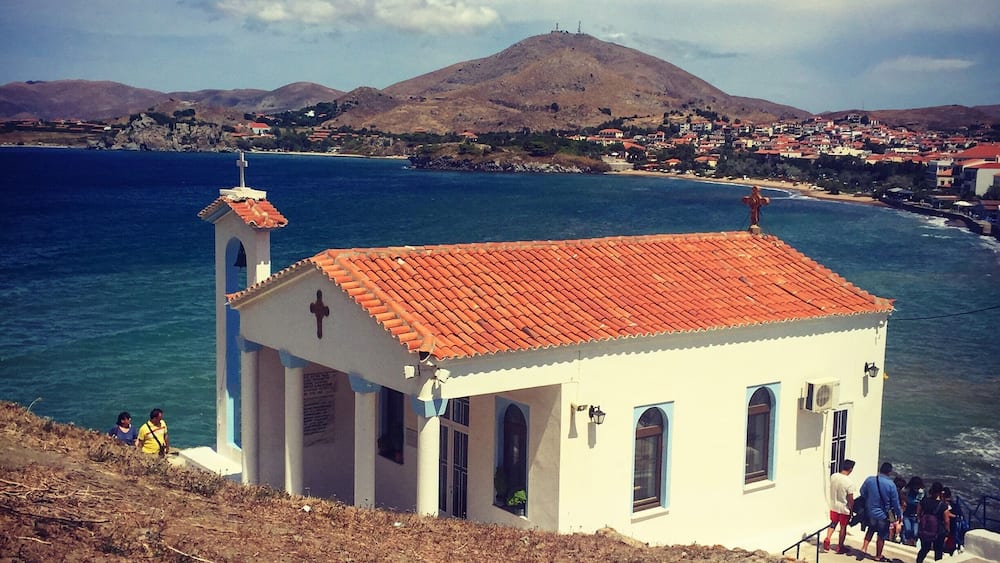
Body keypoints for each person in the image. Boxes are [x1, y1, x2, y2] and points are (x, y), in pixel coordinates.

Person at [859, 461, 903, 562]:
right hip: (884, 515)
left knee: (870, 530)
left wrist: (870, 500)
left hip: (870, 512)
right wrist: (899, 515)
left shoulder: (870, 480)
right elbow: (895, 502)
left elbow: (862, 492)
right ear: (889, 472)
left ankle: (864, 548)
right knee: (881, 535)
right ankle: (878, 555)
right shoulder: (891, 485)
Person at [823, 459, 856, 553]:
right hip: (844, 508)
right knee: (843, 527)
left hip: (833, 506)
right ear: (850, 469)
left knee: (833, 523)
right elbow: (850, 499)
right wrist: (852, 510)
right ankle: (840, 546)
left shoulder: (834, 476)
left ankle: (828, 538)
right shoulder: (849, 483)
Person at [916, 481, 952, 563]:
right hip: (939, 532)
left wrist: (921, 522)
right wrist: (947, 531)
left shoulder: (924, 501)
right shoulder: (943, 506)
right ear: (940, 492)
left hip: (925, 529)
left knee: (924, 549)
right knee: (938, 551)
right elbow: (947, 520)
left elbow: (918, 513)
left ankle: (918, 562)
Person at [902, 476, 925, 546]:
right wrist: (904, 501)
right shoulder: (907, 490)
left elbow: (920, 504)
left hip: (916, 515)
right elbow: (902, 493)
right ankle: (907, 542)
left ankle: (913, 542)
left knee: (915, 532)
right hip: (907, 514)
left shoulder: (921, 492)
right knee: (908, 529)